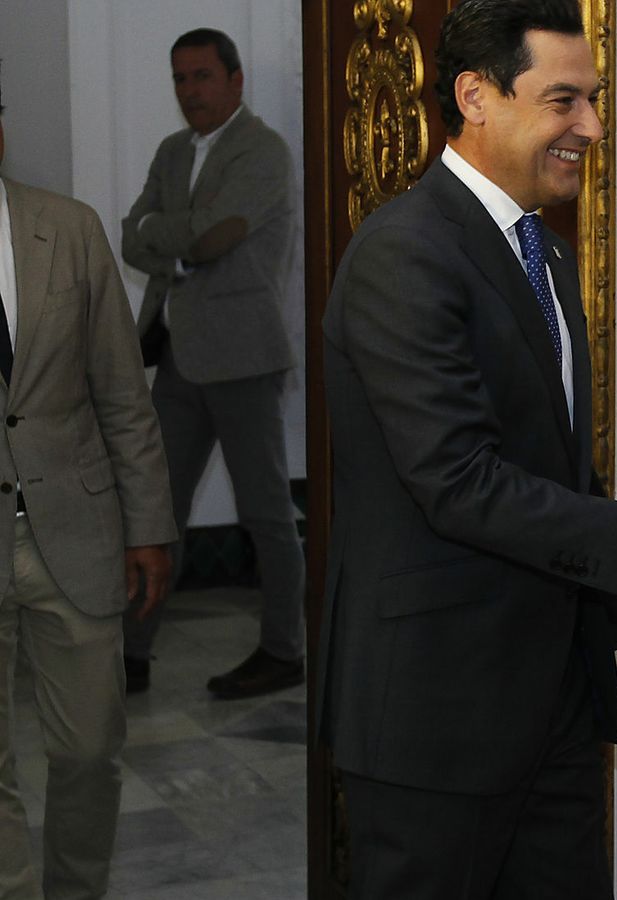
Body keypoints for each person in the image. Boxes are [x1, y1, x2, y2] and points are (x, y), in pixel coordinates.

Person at [318, 1, 617, 896]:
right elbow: (460, 484)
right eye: (565, 100)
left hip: (557, 709)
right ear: (475, 96)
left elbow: (560, 479)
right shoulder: (404, 254)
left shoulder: (545, 252)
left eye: (595, 100)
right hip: (435, 719)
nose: (593, 127)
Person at [0, 81, 177, 900]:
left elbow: (121, 393)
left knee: (87, 751)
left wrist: (149, 526)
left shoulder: (67, 229)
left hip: (74, 533)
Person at [119, 28, 305, 699]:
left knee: (266, 516)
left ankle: (284, 650)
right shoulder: (174, 151)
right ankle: (130, 655)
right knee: (152, 513)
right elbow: (131, 232)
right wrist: (182, 238)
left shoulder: (262, 150)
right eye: (180, 79)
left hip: (244, 360)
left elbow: (212, 235)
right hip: (175, 357)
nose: (189, 91)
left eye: (201, 76)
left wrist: (175, 235)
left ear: (234, 81)